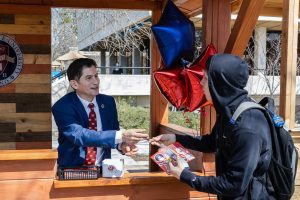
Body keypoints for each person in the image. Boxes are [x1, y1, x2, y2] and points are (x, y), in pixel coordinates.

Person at [150, 54, 276, 199]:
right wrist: (175, 138)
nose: (201, 83)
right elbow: (211, 143)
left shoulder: (247, 128)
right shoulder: (230, 112)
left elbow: (234, 185)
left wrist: (186, 176)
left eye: (205, 78)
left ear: (219, 84)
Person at [52, 58, 148, 168]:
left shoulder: (108, 102)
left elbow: (112, 132)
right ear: (74, 84)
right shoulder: (62, 106)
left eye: (96, 76)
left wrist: (122, 145)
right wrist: (122, 135)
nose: (96, 81)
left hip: (103, 169)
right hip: (72, 171)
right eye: (89, 78)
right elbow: (79, 135)